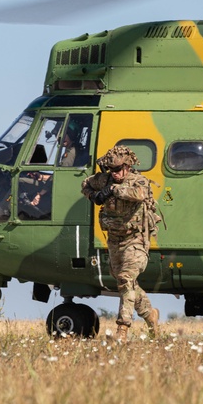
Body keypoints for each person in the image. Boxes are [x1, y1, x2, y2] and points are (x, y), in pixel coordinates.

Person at [81, 145, 160, 342]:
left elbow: (139, 194)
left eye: (117, 170)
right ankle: (150, 315)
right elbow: (85, 183)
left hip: (136, 240)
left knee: (126, 278)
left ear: (127, 166)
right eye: (111, 170)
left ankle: (122, 331)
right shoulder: (105, 179)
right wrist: (93, 194)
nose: (114, 174)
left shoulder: (138, 180)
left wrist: (114, 190)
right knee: (124, 282)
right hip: (115, 240)